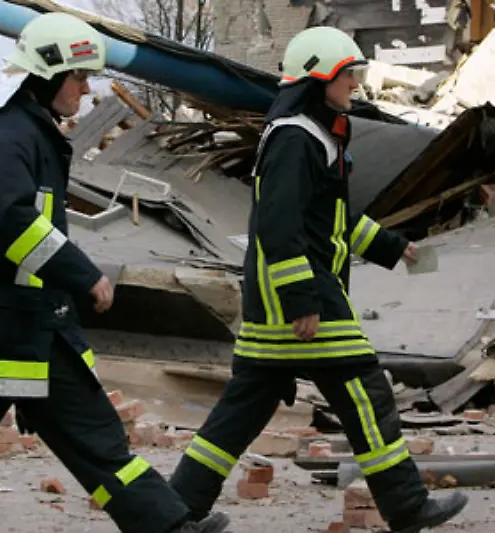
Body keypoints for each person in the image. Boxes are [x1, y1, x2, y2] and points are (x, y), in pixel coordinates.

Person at [0, 12, 231, 533]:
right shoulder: (6, 137)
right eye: (80, 76)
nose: (87, 91)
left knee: (98, 441)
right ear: (46, 74)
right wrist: (82, 273)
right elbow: (10, 220)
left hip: (34, 328)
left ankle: (170, 527)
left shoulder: (29, 133)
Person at [168, 26, 468, 533]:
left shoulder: (308, 133)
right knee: (365, 394)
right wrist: (301, 298)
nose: (355, 83)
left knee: (238, 415)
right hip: (306, 301)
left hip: (278, 306)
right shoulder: (295, 138)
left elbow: (327, 219)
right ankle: (408, 508)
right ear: (319, 77)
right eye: (348, 74)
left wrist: (393, 247)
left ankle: (173, 513)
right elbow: (279, 226)